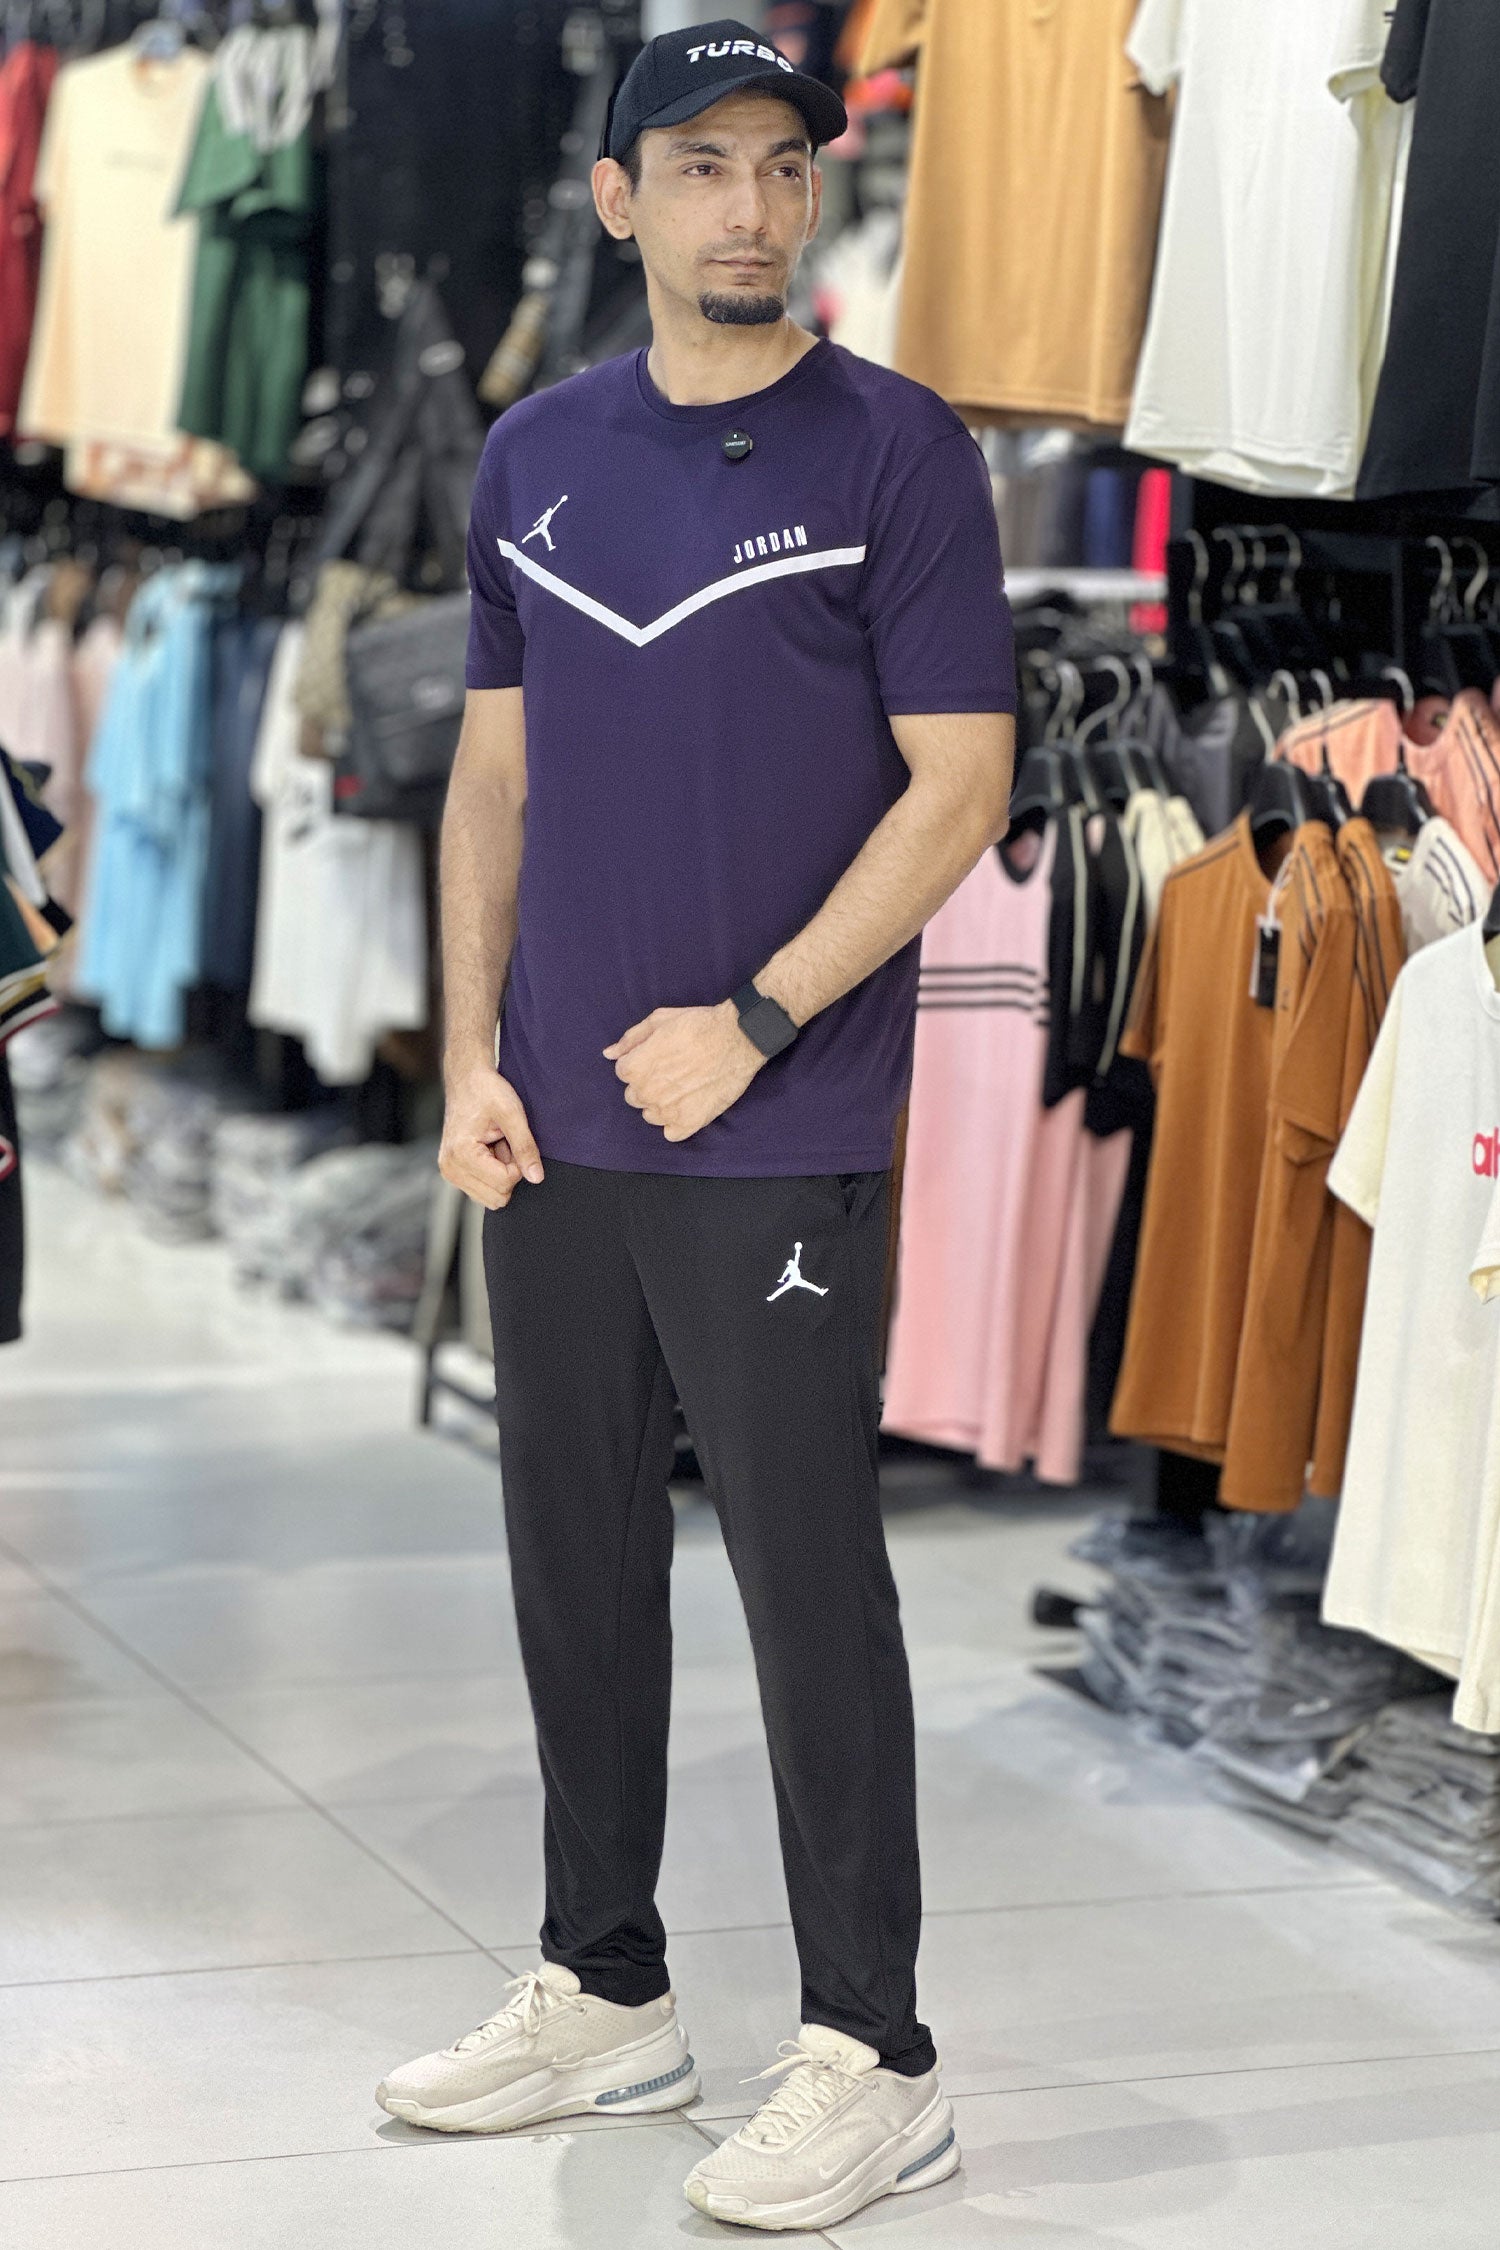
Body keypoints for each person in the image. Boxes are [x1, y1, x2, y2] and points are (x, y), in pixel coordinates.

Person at [376, 18, 1016, 2232]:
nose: (754, 203)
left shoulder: (903, 451)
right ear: (620, 199)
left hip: (777, 1113)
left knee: (807, 1580)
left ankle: (876, 2055)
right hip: (553, 1121)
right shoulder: (535, 453)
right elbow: (494, 777)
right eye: (705, 165)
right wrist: (472, 1054)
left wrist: (756, 1019)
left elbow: (962, 789)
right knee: (572, 1560)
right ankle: (605, 1985)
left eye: (782, 163)